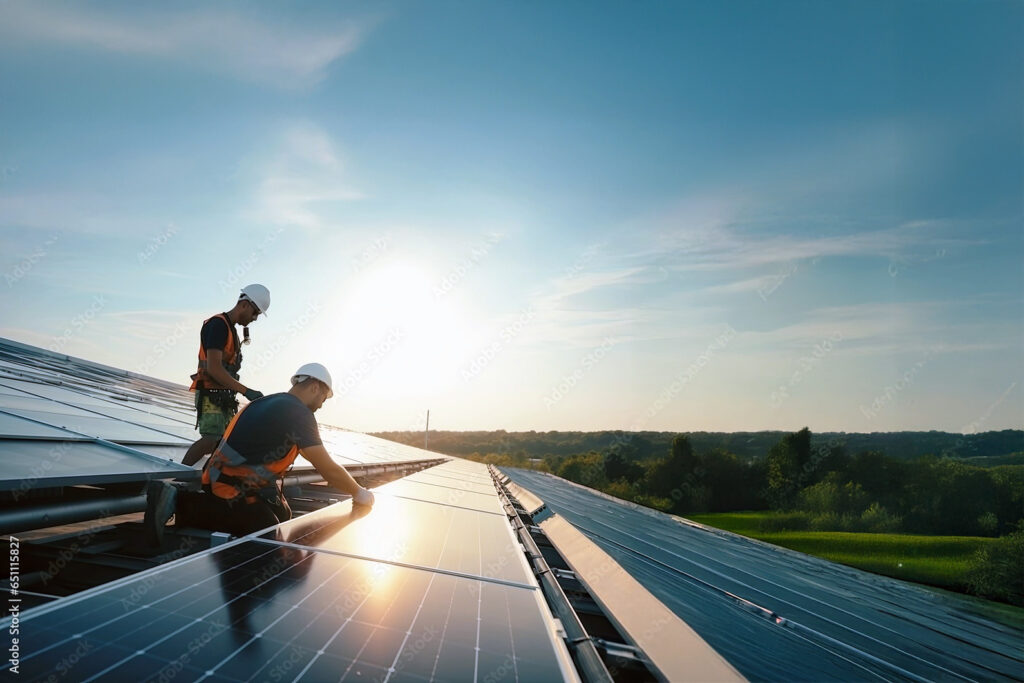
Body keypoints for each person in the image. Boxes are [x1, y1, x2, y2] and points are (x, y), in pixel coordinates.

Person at [146, 362, 374, 545]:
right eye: (323, 399)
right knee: (268, 534)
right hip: (230, 490)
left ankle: (202, 505)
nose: (321, 405)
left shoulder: (267, 402)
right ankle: (180, 500)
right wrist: (360, 493)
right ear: (315, 387)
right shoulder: (299, 413)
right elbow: (328, 469)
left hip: (220, 481)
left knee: (283, 517)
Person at [182, 284, 270, 466]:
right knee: (211, 439)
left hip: (222, 395)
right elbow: (214, 369)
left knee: (224, 443)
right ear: (245, 304)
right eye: (255, 313)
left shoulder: (232, 331)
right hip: (210, 394)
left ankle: (207, 482)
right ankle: (176, 476)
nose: (254, 319)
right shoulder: (218, 325)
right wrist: (246, 391)